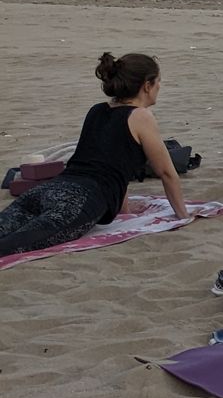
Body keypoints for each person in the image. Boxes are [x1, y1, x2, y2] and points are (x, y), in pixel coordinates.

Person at [0, 52, 187, 257]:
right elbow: (167, 173)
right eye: (158, 81)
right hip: (79, 200)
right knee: (14, 246)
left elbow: (114, 163)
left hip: (47, 189)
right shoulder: (142, 116)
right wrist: (183, 217)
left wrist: (124, 211)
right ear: (147, 85)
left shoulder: (97, 110)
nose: (160, 87)